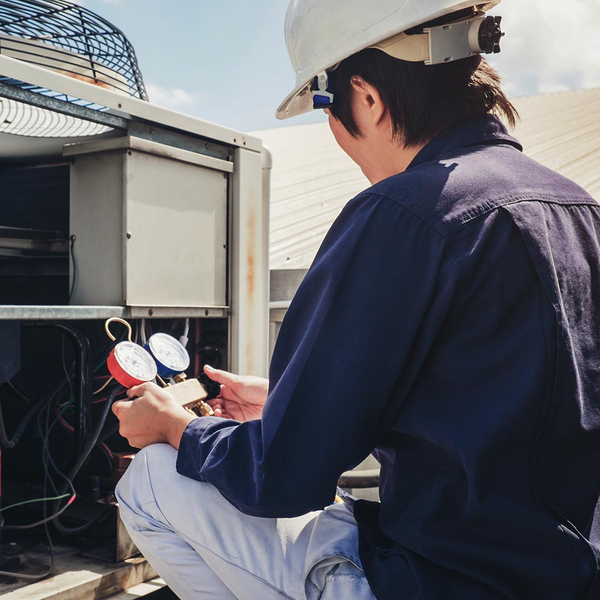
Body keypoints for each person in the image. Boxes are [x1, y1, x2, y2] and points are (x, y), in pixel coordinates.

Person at [112, 0, 600, 598]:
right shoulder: (580, 211)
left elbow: (283, 477)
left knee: (152, 482)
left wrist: (176, 429)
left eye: (325, 106)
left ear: (365, 97)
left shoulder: (402, 214)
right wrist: (294, 403)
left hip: (437, 581)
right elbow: (503, 413)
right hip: (568, 576)